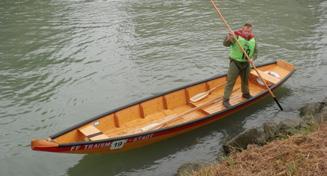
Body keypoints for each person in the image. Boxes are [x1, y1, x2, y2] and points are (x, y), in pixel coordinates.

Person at [222, 23, 257, 108]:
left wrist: (253, 59)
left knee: (245, 80)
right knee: (231, 81)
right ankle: (225, 100)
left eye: (249, 31)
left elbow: (255, 52)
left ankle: (245, 94)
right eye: (245, 31)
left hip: (246, 63)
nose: (247, 33)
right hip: (235, 63)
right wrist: (228, 37)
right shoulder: (236, 37)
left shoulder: (253, 39)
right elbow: (225, 44)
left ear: (251, 31)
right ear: (242, 30)